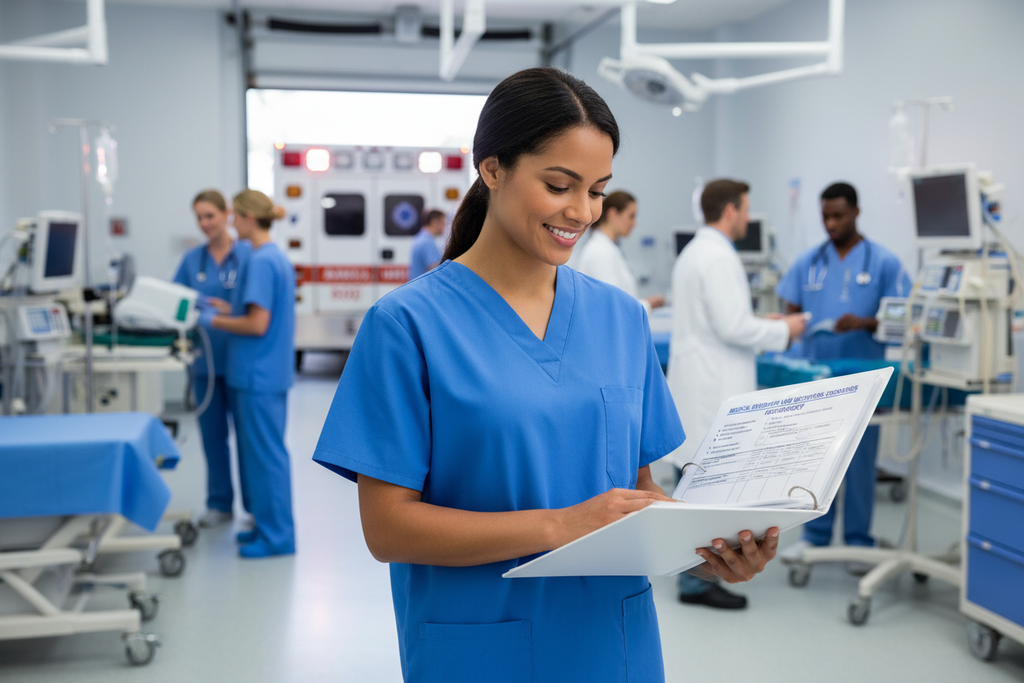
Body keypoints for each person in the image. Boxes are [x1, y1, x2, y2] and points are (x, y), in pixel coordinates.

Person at [312, 67, 779, 683]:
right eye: (559, 184)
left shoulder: (620, 319)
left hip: (612, 641)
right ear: (493, 168)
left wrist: (709, 551)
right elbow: (388, 528)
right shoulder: (407, 326)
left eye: (598, 190)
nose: (581, 211)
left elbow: (638, 499)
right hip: (481, 643)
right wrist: (562, 524)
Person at [666, 179, 807, 609]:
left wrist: (754, 320)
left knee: (692, 488)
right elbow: (732, 327)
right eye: (745, 209)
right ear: (730, 210)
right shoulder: (719, 256)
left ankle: (694, 576)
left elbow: (723, 319)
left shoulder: (696, 251)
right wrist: (785, 328)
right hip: (712, 389)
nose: (748, 218)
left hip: (699, 383)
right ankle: (695, 582)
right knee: (704, 495)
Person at [775, 182, 911, 571]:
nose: (831, 223)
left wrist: (865, 322)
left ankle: (858, 541)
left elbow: (903, 321)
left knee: (861, 464)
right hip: (818, 381)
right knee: (816, 463)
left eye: (838, 215)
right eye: (825, 216)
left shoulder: (884, 262)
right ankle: (814, 539)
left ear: (856, 212)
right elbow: (791, 313)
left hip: (867, 380)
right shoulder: (808, 262)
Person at [198, 189, 297, 559]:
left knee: (266, 458)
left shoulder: (259, 261)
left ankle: (277, 537)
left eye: (233, 216)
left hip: (258, 375)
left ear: (247, 219)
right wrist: (224, 306)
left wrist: (212, 319)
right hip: (264, 374)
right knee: (261, 456)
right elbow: (255, 309)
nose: (230, 222)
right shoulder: (272, 257)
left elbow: (257, 324)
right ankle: (266, 527)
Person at [173, 190, 252, 528]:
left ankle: (254, 508)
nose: (205, 223)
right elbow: (175, 304)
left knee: (249, 441)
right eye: (200, 218)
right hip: (204, 364)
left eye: (210, 216)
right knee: (212, 438)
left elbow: (257, 307)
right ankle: (219, 504)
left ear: (226, 214)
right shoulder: (193, 261)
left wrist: (225, 310)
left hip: (240, 362)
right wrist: (192, 310)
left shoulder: (249, 255)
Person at [576, 191, 664, 311]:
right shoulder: (600, 252)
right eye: (631, 216)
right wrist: (648, 304)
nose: (634, 223)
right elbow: (613, 305)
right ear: (613, 214)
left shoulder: (608, 249)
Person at [408, 209, 447, 280]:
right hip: (423, 287)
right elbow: (434, 269)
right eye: (443, 222)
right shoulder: (428, 242)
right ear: (434, 222)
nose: (444, 226)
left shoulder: (419, 237)